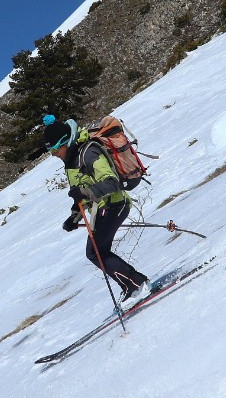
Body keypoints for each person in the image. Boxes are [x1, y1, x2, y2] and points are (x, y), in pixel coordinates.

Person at [43, 115, 149, 300]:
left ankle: (136, 285)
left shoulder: (88, 153)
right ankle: (134, 284)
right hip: (103, 208)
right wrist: (74, 217)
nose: (55, 155)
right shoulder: (71, 162)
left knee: (96, 252)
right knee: (96, 252)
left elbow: (111, 182)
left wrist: (84, 193)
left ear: (65, 143)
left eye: (55, 150)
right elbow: (81, 193)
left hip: (115, 204)